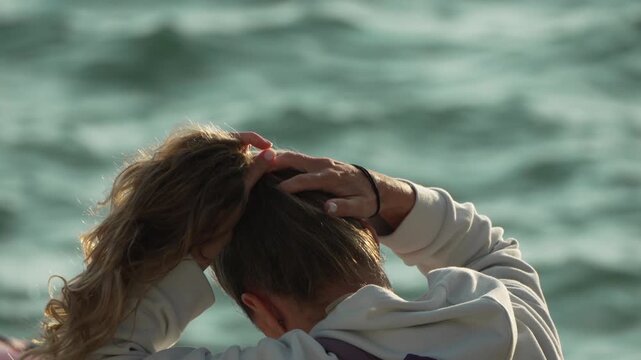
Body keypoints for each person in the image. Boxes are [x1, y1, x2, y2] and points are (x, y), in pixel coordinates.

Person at [21, 125, 563, 360]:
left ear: (258, 308)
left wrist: (180, 250)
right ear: (367, 239)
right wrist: (383, 194)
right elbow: (489, 253)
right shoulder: (504, 322)